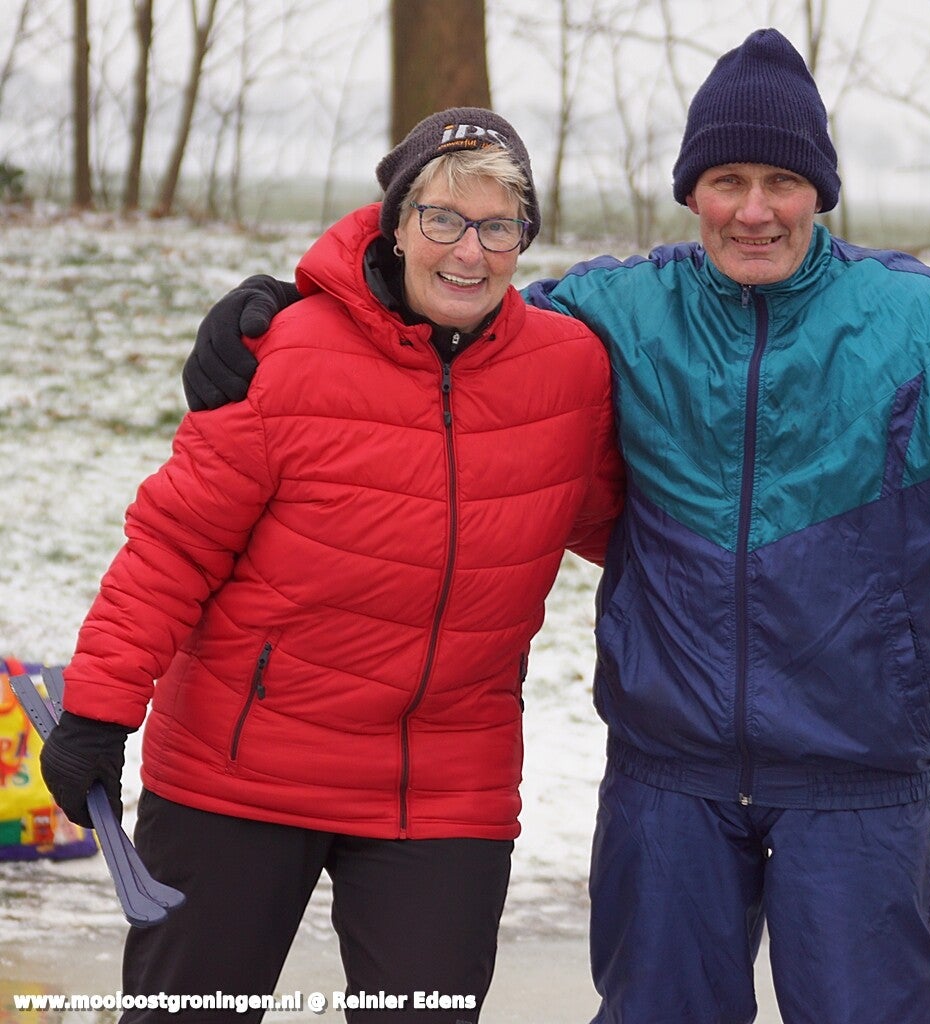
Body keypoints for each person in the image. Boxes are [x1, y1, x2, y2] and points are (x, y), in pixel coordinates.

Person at [182, 28, 930, 1024]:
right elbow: (445, 307)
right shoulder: (616, 311)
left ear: (820, 191)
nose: (755, 210)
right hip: (667, 778)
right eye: (728, 181)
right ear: (692, 192)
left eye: (782, 181)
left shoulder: (927, 326)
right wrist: (297, 306)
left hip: (858, 777)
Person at [41, 108, 623, 1022]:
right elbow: (174, 545)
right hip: (241, 767)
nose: (468, 252)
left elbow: (631, 530)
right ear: (396, 225)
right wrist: (98, 712)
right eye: (442, 219)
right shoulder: (287, 352)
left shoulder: (570, 373)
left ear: (525, 240)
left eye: (498, 227)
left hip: (444, 784)